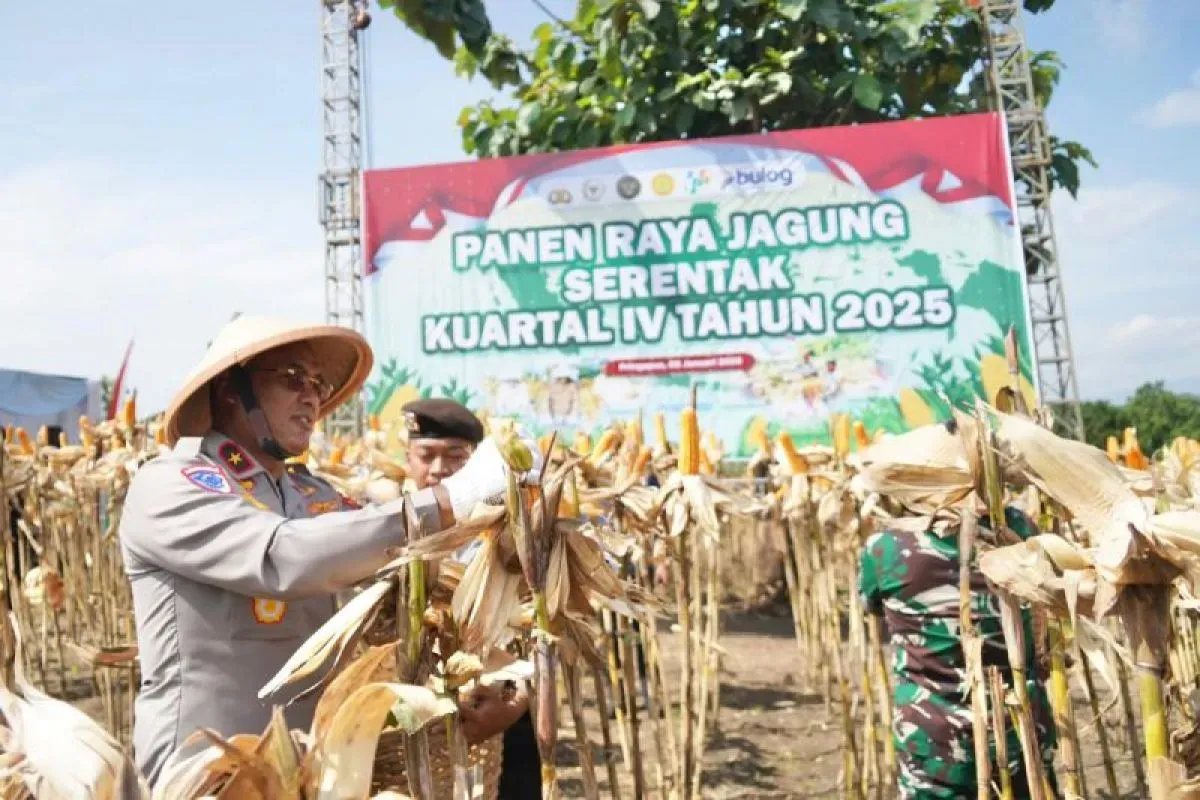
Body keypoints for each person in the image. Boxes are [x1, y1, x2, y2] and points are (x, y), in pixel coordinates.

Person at [118, 315, 540, 786]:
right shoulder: (172, 484)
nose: (312, 397)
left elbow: (406, 562)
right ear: (231, 389)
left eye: (317, 383)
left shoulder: (309, 494)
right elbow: (284, 557)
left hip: (311, 770)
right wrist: (448, 499)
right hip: (206, 774)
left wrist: (518, 526)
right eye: (292, 378)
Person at [856, 425, 1057, 799]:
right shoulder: (1018, 530)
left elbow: (871, 606)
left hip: (932, 740)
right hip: (1022, 730)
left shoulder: (884, 549)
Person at [400, 397, 542, 800]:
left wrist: (517, 702)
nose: (439, 470)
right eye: (426, 455)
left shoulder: (515, 529)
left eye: (456, 456)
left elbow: (551, 626)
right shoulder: (384, 529)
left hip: (504, 714)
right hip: (414, 729)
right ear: (408, 457)